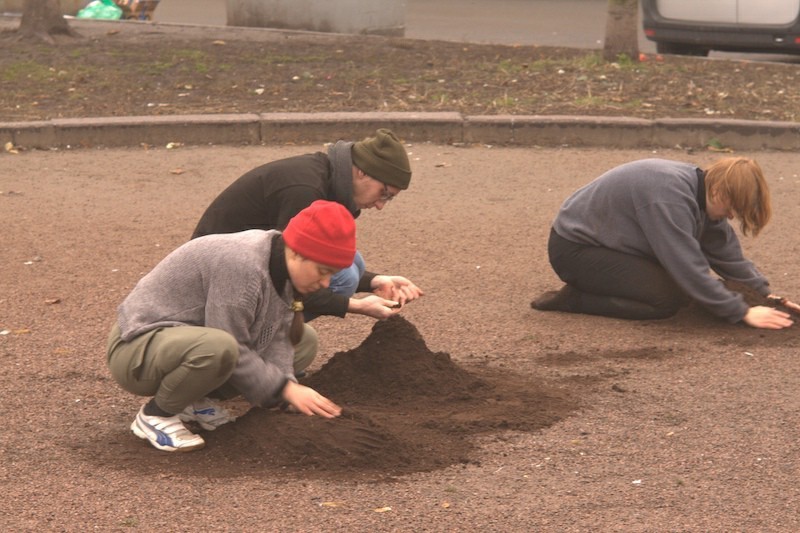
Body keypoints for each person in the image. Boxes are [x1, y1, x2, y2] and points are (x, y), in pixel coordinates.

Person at [106, 200, 355, 452]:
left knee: (304, 341)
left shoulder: (285, 268)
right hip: (136, 348)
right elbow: (230, 341)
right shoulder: (241, 263)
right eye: (322, 271)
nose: (326, 283)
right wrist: (284, 389)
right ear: (297, 252)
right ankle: (155, 415)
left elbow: (280, 337)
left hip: (183, 342)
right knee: (221, 346)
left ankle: (191, 401)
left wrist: (285, 395)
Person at [191, 128, 423, 367]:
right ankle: (247, 353)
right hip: (214, 292)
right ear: (362, 171)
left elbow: (297, 263)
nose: (381, 206)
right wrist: (356, 306)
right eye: (383, 194)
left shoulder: (325, 178)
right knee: (345, 277)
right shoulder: (305, 191)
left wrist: (375, 281)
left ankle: (263, 347)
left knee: (352, 264)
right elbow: (287, 272)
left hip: (245, 272)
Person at [531, 157, 800, 330]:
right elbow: (686, 266)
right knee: (665, 300)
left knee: (689, 290)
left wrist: (765, 295)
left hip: (615, 246)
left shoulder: (704, 193)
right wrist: (742, 312)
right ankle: (576, 299)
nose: (731, 216)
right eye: (732, 208)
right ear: (719, 190)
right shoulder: (668, 198)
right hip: (576, 251)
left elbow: (728, 256)